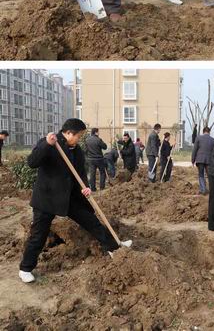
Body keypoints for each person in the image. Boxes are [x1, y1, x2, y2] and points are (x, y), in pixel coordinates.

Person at [18, 118, 132, 284]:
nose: (79, 139)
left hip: (69, 197)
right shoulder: (50, 143)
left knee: (91, 221)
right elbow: (32, 162)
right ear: (68, 133)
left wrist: (85, 187)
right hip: (47, 197)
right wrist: (47, 145)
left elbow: (80, 173)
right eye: (78, 135)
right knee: (39, 234)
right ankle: (25, 268)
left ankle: (114, 248)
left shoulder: (77, 150)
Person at [192, 126, 214, 195]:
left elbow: (195, 150)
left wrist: (193, 160)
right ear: (209, 132)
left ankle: (203, 189)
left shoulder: (198, 138)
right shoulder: (213, 140)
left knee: (201, 175)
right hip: (209, 160)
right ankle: (212, 190)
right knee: (209, 176)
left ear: (203, 131)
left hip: (200, 159)